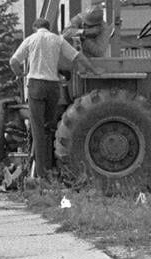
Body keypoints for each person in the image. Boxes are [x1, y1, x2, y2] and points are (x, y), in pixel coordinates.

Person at [10, 17, 102, 176]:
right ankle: (53, 166)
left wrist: (19, 74)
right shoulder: (57, 39)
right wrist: (94, 70)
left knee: (37, 129)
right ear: (48, 27)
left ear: (35, 28)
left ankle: (40, 173)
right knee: (50, 127)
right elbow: (77, 57)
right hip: (53, 87)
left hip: (35, 86)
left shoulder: (30, 39)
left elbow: (13, 61)